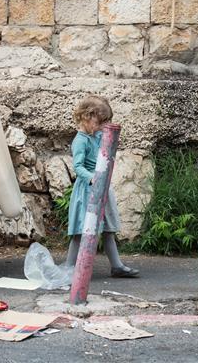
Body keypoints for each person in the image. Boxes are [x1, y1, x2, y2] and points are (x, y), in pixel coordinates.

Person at [64, 95, 139, 278]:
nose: (103, 127)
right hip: (88, 190)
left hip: (103, 188)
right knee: (81, 232)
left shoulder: (96, 134)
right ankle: (69, 269)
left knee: (108, 230)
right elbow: (78, 167)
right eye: (100, 122)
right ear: (87, 117)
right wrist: (93, 179)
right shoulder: (80, 140)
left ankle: (117, 266)